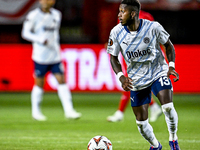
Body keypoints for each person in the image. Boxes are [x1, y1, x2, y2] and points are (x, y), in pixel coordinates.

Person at [107, 0, 180, 149]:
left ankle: (173, 139)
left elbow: (168, 45)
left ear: (133, 13)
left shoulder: (153, 27)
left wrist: (171, 66)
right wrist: (121, 76)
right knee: (141, 123)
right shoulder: (116, 32)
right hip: (136, 79)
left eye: (122, 11)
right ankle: (155, 145)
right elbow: (113, 57)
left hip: (158, 72)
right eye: (119, 11)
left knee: (167, 106)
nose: (119, 15)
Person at [21, 0, 81, 121]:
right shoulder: (33, 16)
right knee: (39, 83)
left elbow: (54, 34)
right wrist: (39, 39)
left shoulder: (57, 14)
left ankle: (69, 111)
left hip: (54, 56)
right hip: (40, 57)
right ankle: (36, 112)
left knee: (62, 81)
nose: (45, 1)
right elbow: (25, 33)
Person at [107, 10, 162, 123]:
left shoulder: (146, 16)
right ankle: (153, 107)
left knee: (131, 82)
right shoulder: (122, 16)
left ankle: (120, 113)